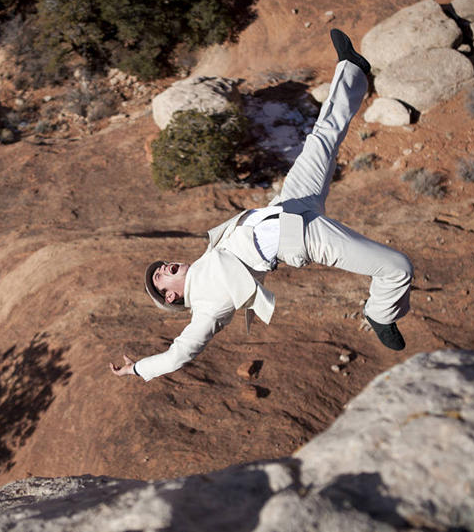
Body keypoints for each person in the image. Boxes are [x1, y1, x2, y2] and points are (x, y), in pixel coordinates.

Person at [110, 30, 413, 382]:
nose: (163, 267)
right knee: (397, 268)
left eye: (160, 268)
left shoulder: (207, 258)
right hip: (301, 238)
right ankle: (380, 314)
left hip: (287, 204)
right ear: (172, 296)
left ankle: (352, 68)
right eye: (160, 277)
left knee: (322, 138)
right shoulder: (207, 308)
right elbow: (180, 354)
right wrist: (137, 368)